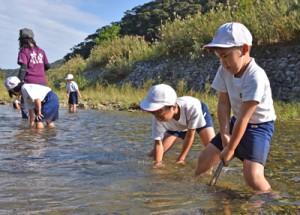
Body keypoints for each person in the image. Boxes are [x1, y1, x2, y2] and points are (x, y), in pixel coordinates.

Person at [195, 22, 276, 192]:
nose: (223, 63)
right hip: (235, 122)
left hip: (258, 127)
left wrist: (230, 148)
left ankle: (271, 199)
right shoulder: (224, 71)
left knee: (252, 177)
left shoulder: (255, 77)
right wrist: (225, 133)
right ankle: (201, 192)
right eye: (219, 57)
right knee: (204, 158)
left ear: (245, 49)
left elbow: (245, 117)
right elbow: (224, 104)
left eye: (226, 56)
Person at [140, 84, 215, 168]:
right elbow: (158, 143)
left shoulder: (192, 108)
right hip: (175, 124)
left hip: (196, 114)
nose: (157, 118)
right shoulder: (158, 116)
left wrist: (181, 159)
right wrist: (158, 163)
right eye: (153, 113)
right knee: (152, 156)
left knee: (213, 149)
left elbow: (190, 135)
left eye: (160, 115)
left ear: (174, 107)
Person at [17, 28, 50, 120]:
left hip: (29, 83)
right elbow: (47, 66)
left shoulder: (24, 51)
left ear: (22, 40)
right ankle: (41, 129)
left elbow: (23, 68)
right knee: (40, 107)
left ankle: (27, 129)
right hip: (42, 82)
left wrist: (19, 82)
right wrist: (38, 67)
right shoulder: (41, 51)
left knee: (26, 106)